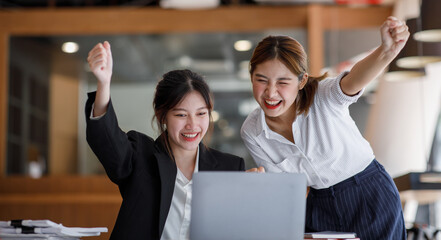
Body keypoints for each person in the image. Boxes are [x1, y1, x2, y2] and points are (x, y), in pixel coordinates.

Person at [240, 16, 409, 239]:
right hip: (317, 206)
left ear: (301, 82)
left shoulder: (323, 96)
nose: (271, 93)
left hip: (367, 194)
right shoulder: (252, 131)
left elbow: (354, 80)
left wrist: (386, 51)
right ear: (251, 77)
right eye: (261, 80)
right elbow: (287, 192)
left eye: (282, 82)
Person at [86, 41, 245, 240]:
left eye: (201, 114)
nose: (192, 125)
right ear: (162, 116)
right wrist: (104, 84)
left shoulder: (229, 168)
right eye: (180, 115)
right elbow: (106, 139)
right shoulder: (140, 157)